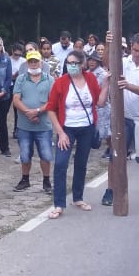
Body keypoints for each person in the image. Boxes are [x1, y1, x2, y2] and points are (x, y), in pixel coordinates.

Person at [101, 31, 139, 207]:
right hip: (124, 118)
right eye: (134, 49)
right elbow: (106, 64)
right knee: (115, 156)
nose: (136, 54)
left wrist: (128, 85)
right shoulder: (125, 62)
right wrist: (108, 43)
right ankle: (110, 190)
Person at [45, 50, 103, 218]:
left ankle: (78, 197)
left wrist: (106, 83)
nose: (71, 66)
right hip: (67, 128)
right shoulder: (61, 82)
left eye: (74, 63)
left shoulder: (90, 79)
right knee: (61, 164)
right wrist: (60, 133)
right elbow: (51, 109)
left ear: (82, 64)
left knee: (81, 163)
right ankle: (59, 204)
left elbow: (99, 102)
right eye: (68, 63)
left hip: (87, 127)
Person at [11, 51, 54, 194]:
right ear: (27, 63)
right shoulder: (21, 79)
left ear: (41, 62)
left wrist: (37, 111)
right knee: (24, 154)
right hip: (24, 125)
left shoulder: (49, 79)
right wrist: (28, 113)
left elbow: (52, 101)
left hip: (44, 125)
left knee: (46, 155)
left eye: (36, 61)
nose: (34, 64)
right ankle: (25, 179)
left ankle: (46, 181)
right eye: (31, 61)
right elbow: (16, 99)